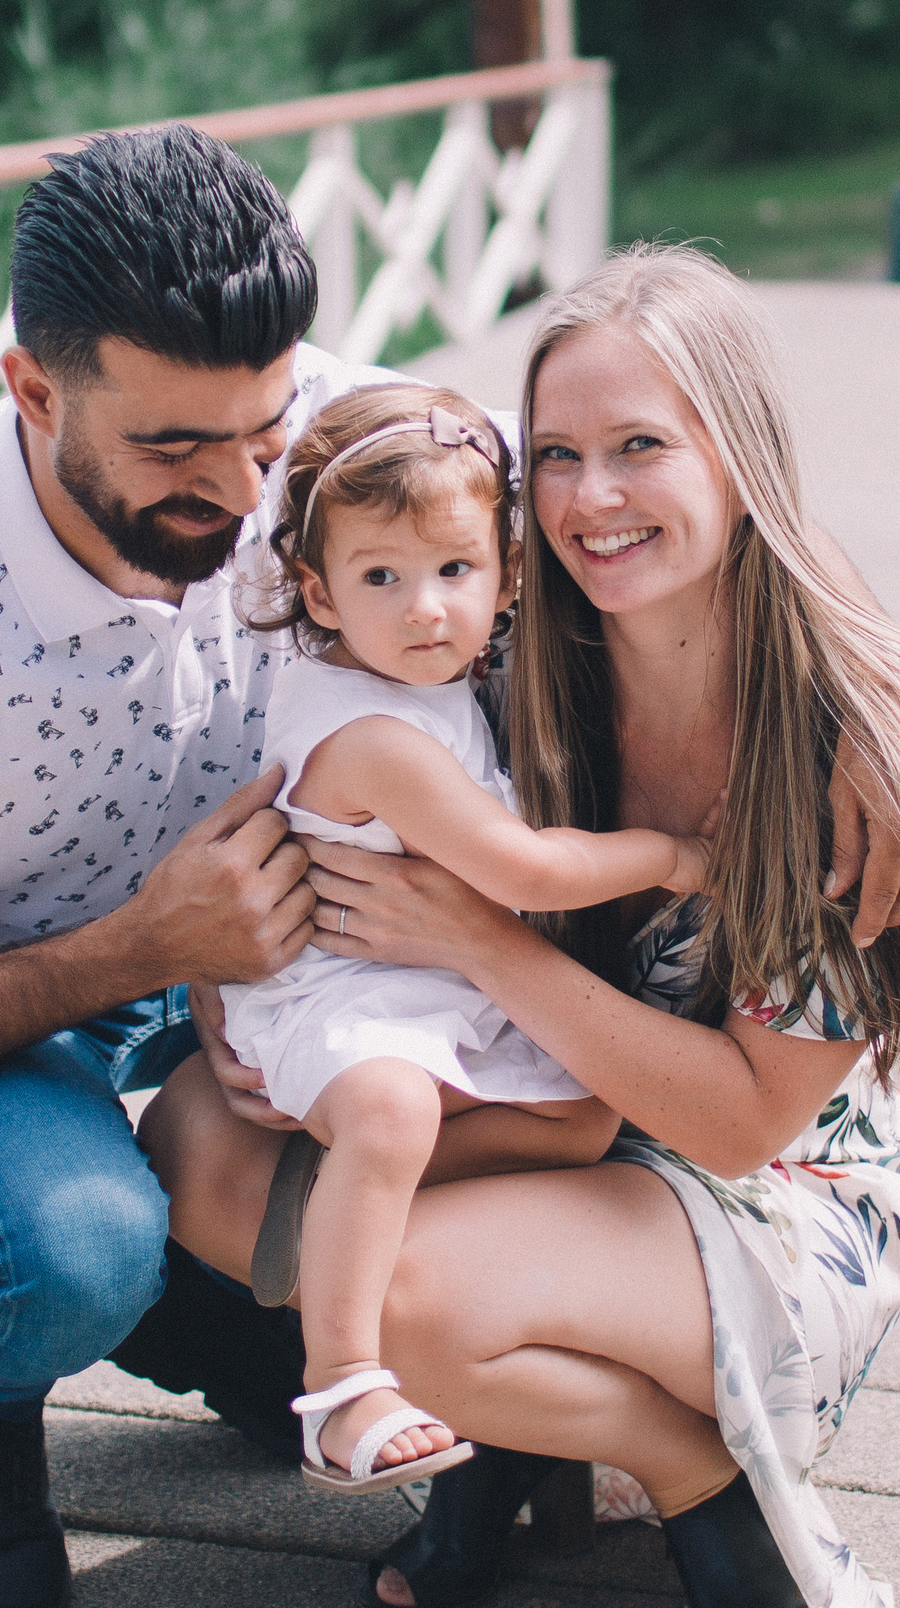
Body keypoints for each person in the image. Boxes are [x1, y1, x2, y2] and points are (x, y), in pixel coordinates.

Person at [0, 117, 900, 1608]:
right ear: (33, 388)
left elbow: (659, 504)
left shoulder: (357, 463)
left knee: (357, 1260)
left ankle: (567, 1441)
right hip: (42, 982)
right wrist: (152, 954)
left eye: (265, 430)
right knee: (109, 1219)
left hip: (581, 1079)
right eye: (176, 449)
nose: (249, 485)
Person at [145, 244, 900, 1608]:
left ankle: (700, 1481)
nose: (591, 497)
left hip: (770, 1193)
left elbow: (737, 1120)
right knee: (196, 1136)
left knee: (395, 1295)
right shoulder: (519, 632)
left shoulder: (844, 761)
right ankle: (511, 1449)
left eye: (641, 446)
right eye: (554, 454)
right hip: (552, 1099)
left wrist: (482, 941)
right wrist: (235, 978)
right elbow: (355, 523)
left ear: (738, 456)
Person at [224, 383, 700, 1495]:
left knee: (586, 1114)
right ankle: (341, 1387)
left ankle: (354, 1199)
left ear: (506, 572)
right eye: (379, 578)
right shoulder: (374, 733)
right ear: (319, 593)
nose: (424, 608)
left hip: (427, 980)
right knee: (387, 1109)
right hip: (342, 994)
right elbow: (521, 869)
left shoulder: (418, 675)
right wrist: (672, 855)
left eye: (453, 571)